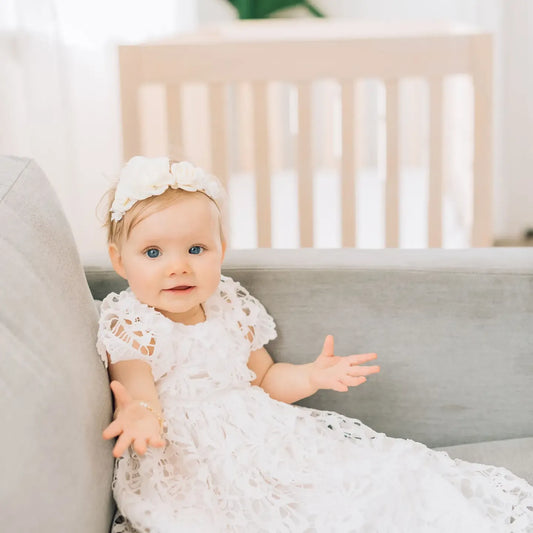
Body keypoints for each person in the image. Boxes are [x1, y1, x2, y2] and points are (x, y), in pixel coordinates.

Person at [97, 156, 533, 533]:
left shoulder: (227, 304)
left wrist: (311, 376)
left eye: (196, 249)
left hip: (263, 436)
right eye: (153, 253)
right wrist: (139, 415)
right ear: (119, 260)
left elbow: (265, 379)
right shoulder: (134, 323)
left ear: (221, 250)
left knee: (361, 485)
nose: (178, 267)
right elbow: (137, 389)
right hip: (193, 457)